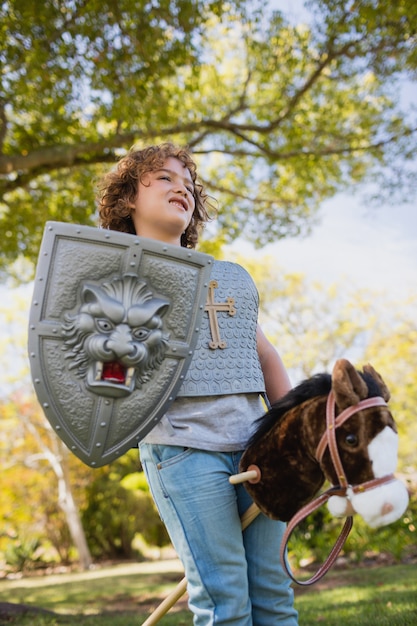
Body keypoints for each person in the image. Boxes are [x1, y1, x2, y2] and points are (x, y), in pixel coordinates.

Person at [97, 143, 299, 626]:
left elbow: (265, 354)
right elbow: (108, 373)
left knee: (274, 591)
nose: (180, 188)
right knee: (224, 598)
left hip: (257, 447)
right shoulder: (115, 278)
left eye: (187, 184)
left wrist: (291, 432)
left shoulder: (228, 278)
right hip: (182, 450)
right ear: (127, 199)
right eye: (164, 178)